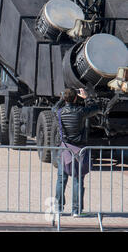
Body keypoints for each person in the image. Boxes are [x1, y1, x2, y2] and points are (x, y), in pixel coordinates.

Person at [53, 88, 99, 217]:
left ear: (65, 99)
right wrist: (87, 98)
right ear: (75, 98)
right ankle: (76, 210)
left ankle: (58, 208)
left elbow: (53, 109)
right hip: (80, 149)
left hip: (65, 149)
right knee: (78, 179)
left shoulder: (60, 112)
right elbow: (95, 108)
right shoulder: (81, 112)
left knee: (61, 179)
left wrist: (62, 99)